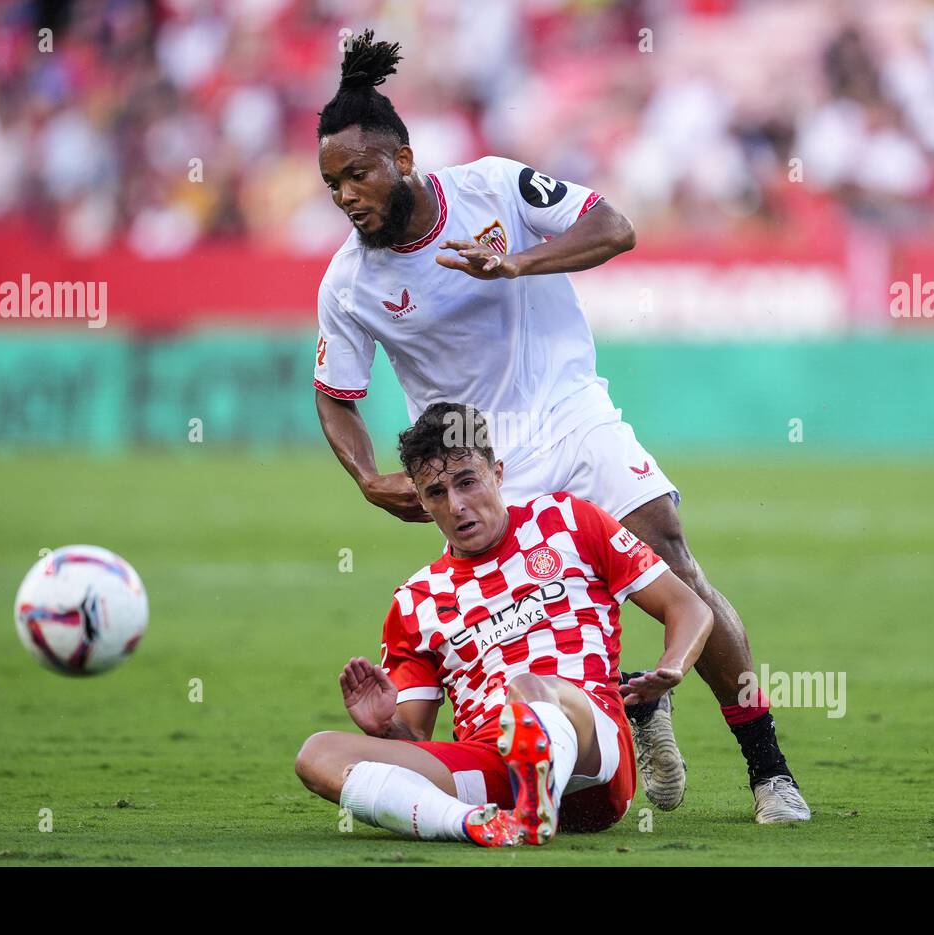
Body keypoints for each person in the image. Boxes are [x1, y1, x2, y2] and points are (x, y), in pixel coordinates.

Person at [311, 29, 810, 822]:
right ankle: (594, 739)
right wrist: (368, 477)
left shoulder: (494, 187)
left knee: (673, 557)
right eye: (333, 184)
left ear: (402, 160)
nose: (346, 196)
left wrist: (516, 263)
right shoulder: (348, 284)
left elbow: (617, 227)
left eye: (358, 175)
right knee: (518, 638)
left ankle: (768, 771)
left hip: (571, 415)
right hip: (475, 466)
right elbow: (336, 391)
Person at [294, 403, 713, 845]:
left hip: (590, 755)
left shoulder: (567, 521)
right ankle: (474, 823)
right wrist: (385, 728)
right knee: (318, 754)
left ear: (497, 472)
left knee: (529, 688)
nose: (456, 505)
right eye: (436, 492)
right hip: (490, 766)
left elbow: (689, 607)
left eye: (467, 482)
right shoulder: (415, 602)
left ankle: (537, 793)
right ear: (420, 501)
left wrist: (673, 666)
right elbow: (413, 742)